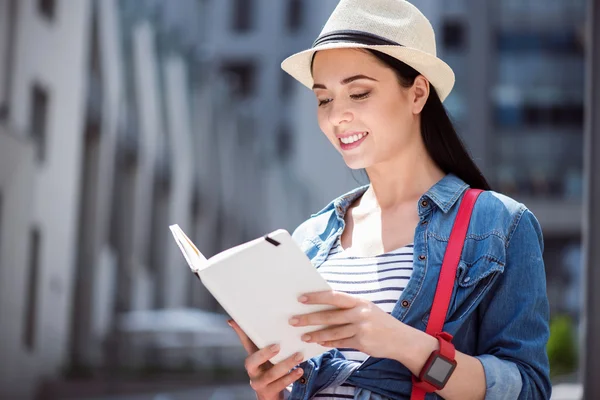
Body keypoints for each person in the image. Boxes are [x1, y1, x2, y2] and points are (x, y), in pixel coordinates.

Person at [228, 0, 551, 399]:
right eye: (324, 99)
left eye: (359, 93)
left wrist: (403, 343)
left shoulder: (499, 224)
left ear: (417, 94)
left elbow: (530, 390)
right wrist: (273, 390)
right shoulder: (312, 235)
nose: (336, 117)